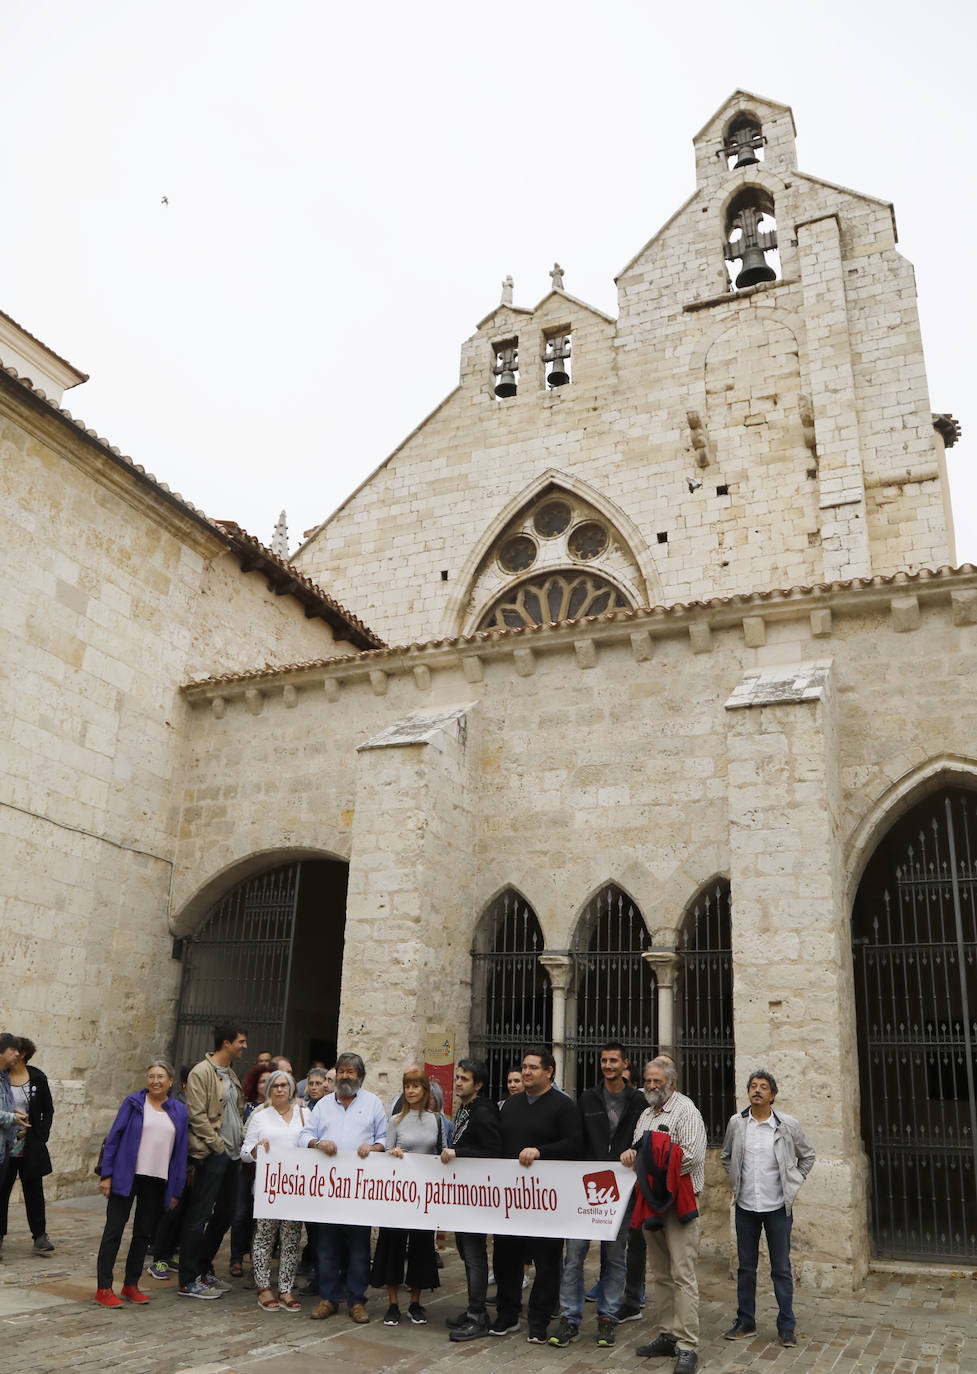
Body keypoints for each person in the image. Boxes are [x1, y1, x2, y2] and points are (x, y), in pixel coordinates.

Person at [550, 1041, 645, 1349]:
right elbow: (577, 1139)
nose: (607, 1065)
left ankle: (607, 1317)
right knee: (574, 1255)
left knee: (615, 1257)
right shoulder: (588, 1098)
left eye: (613, 1060)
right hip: (585, 1188)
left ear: (625, 1064)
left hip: (621, 1190)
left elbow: (645, 1139)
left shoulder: (638, 1101)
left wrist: (634, 1153)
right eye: (604, 1060)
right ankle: (570, 1318)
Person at [622, 1056, 707, 1374]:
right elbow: (637, 1149)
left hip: (678, 1205)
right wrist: (632, 1153)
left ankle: (687, 1345)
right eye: (648, 1079)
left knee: (683, 1275)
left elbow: (693, 1156)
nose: (652, 1085)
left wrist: (653, 1163)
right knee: (660, 1274)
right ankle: (669, 1335)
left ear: (671, 1082)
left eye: (658, 1080)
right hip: (651, 1203)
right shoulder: (645, 1114)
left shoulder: (686, 1110)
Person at [492, 1047, 583, 1344]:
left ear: (549, 1071)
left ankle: (539, 1320)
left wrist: (541, 1152)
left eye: (533, 1068)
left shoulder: (563, 1106)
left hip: (547, 1201)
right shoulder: (510, 1105)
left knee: (546, 1262)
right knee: (506, 1257)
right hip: (512, 1199)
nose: (527, 1072)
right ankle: (507, 1315)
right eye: (524, 1067)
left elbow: (574, 1144)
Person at [720, 1069, 816, 1347]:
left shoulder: (787, 1125)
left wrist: (794, 1181)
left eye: (763, 1087)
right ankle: (746, 1321)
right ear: (748, 1092)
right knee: (746, 1268)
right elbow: (726, 1157)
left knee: (781, 1268)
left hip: (777, 1208)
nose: (757, 1090)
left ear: (773, 1095)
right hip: (746, 1207)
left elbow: (807, 1155)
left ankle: (787, 1325)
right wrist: (737, 1181)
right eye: (753, 1086)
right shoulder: (737, 1124)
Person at [298, 1050, 386, 1324]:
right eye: (342, 1071)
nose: (346, 1076)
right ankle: (327, 1298)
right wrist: (317, 1143)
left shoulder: (373, 1104)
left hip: (360, 1191)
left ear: (360, 1076)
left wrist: (373, 1147)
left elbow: (383, 1139)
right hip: (328, 1190)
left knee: (359, 1247)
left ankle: (357, 1301)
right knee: (326, 1246)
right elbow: (303, 1136)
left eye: (351, 1071)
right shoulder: (323, 1105)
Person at [95, 1060, 188, 1307]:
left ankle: (130, 1284)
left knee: (143, 1235)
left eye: (160, 1076)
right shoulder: (133, 1103)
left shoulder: (179, 1111)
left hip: (156, 1180)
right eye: (151, 1076)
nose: (155, 1081)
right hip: (126, 1176)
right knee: (113, 1231)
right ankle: (103, 1288)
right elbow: (114, 1138)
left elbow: (180, 1153)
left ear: (170, 1082)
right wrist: (106, 1175)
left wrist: (176, 1189)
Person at [177, 1022, 247, 1299]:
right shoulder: (201, 1072)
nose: (244, 1046)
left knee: (226, 1214)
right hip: (213, 1153)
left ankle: (204, 1269)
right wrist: (218, 1146)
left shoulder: (230, 1074)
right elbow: (197, 1116)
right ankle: (188, 1278)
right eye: (241, 1041)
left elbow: (235, 1112)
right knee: (199, 1215)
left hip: (232, 1155)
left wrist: (240, 1140)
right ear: (226, 1043)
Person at [372, 1068, 442, 1326]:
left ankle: (415, 1301)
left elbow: (440, 1152)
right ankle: (392, 1303)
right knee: (393, 1244)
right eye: (407, 1086)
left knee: (421, 1246)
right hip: (398, 1193)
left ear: (425, 1090)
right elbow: (387, 1151)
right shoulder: (395, 1121)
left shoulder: (436, 1120)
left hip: (423, 1194)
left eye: (416, 1086)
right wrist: (394, 1153)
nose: (411, 1091)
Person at [440, 1056, 503, 1342]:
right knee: (467, 1253)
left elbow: (494, 1151)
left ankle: (478, 1316)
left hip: (477, 1194)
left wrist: (459, 1154)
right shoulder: (466, 1109)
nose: (457, 1082)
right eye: (457, 1078)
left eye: (464, 1079)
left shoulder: (484, 1110)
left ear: (477, 1084)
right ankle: (473, 1308)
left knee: (475, 1255)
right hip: (462, 1193)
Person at [242, 1070, 308, 1312]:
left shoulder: (305, 1115)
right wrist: (257, 1150)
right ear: (269, 1089)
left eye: (285, 1085)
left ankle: (286, 1288)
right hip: (268, 1188)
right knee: (264, 1236)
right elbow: (245, 1153)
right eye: (275, 1086)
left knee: (291, 1238)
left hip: (295, 1188)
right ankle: (263, 1286)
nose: (280, 1089)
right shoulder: (260, 1117)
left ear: (292, 1089)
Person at [0, 1036, 55, 1255]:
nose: (13, 1054)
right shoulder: (2, 1077)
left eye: (16, 1050)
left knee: (34, 1189)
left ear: (22, 1054)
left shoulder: (37, 1077)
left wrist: (42, 1136)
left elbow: (48, 1110)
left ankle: (40, 1236)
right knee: (2, 1191)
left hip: (29, 1145)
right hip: (6, 1144)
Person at [228, 1066, 271, 1277]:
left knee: (260, 1218)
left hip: (268, 1172)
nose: (265, 1085)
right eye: (262, 1081)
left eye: (268, 1081)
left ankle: (258, 1259)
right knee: (241, 1213)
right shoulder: (248, 1107)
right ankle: (236, 1257)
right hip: (247, 1168)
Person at [0, 1033, 30, 1260]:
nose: (18, 1055)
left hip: (4, 1148)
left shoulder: (3, 1077)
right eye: (13, 1050)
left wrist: (14, 1113)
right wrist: (12, 1118)